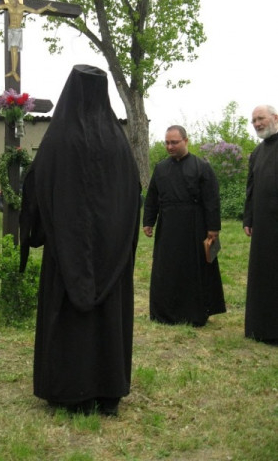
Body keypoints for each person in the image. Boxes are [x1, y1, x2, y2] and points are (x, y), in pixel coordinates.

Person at [19, 64, 141, 416]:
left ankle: (69, 389)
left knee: (69, 318)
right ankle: (107, 390)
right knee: (107, 320)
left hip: (66, 252)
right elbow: (133, 196)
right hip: (112, 254)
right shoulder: (118, 144)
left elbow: (37, 190)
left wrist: (38, 230)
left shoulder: (58, 140)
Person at [143, 125, 226, 327]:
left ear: (186, 141)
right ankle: (164, 312)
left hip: (194, 226)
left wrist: (213, 228)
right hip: (168, 226)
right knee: (166, 268)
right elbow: (152, 197)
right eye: (167, 143)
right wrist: (148, 221)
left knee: (194, 268)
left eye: (174, 142)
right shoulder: (160, 168)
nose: (170, 146)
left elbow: (211, 200)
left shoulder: (201, 167)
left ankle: (193, 312)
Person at [243, 105, 278, 344]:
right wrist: (248, 218)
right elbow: (251, 188)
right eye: (254, 120)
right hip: (263, 226)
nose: (257, 124)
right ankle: (261, 328)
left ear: (275, 118)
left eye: (261, 118)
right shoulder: (257, 153)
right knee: (264, 274)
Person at [0, 0, 57, 82]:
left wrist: (46, 7)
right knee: (13, 50)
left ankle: (14, 71)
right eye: (9, 1)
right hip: (10, 30)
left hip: (17, 30)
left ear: (16, 0)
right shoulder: (8, 6)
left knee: (14, 50)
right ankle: (13, 71)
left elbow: (36, 11)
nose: (10, 3)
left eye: (12, 1)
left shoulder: (23, 7)